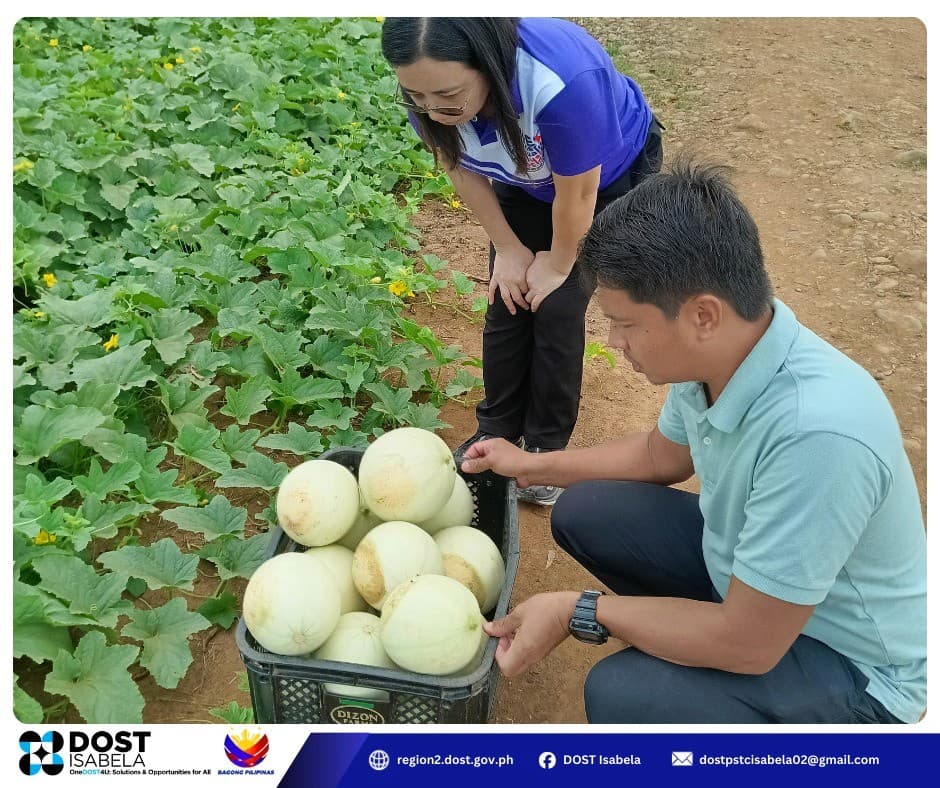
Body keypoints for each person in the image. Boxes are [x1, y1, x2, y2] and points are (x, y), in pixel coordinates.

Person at [459, 160, 926, 724]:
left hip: (852, 664)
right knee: (588, 509)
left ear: (703, 314)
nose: (615, 342)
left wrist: (578, 611)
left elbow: (750, 645)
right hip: (756, 588)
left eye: (627, 324)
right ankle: (693, 644)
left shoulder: (818, 437)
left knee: (625, 693)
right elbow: (661, 456)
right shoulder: (723, 355)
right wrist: (533, 463)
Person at [381, 17, 663, 506]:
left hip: (606, 177)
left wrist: (556, 266)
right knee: (506, 295)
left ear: (488, 63)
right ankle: (495, 431)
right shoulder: (426, 88)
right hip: (526, 177)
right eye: (417, 98)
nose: (432, 110)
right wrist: (509, 250)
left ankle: (544, 451)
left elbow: (579, 193)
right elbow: (459, 167)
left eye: (448, 97)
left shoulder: (561, 84)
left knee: (556, 307)